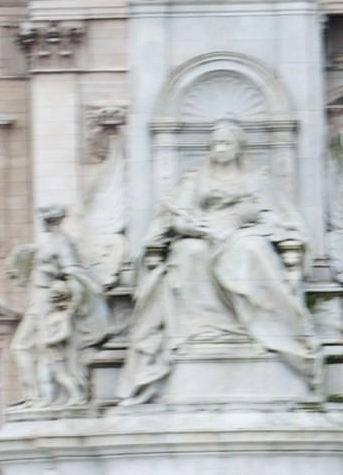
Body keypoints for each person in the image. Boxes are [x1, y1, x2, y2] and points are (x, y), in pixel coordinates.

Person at [126, 119, 315, 403]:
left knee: (251, 250)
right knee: (189, 253)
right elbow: (177, 218)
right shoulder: (195, 179)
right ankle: (200, 331)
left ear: (238, 148)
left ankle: (260, 324)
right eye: (215, 144)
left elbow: (272, 214)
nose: (220, 149)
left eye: (226, 143)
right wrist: (194, 228)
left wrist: (244, 220)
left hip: (244, 233)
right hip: (202, 234)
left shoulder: (256, 179)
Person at [8, 203, 110, 408]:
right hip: (40, 300)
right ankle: (36, 396)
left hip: (45, 302)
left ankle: (41, 396)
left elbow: (73, 271)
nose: (41, 222)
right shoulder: (54, 242)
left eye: (43, 218)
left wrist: (94, 290)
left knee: (22, 347)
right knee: (25, 348)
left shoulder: (62, 243)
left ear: (50, 220)